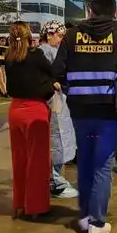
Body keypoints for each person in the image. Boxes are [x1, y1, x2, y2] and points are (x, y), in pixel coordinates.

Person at [53, 0, 117, 233]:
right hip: (108, 111)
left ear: (90, 11)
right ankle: (97, 222)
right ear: (114, 12)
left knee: (86, 161)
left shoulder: (72, 35)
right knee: (103, 164)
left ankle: (84, 217)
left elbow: (57, 71)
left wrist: (72, 89)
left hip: (80, 110)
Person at [4, 21, 56, 219]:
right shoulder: (36, 55)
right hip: (36, 110)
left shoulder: (8, 56)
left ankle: (19, 203)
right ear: (29, 35)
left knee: (19, 158)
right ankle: (36, 206)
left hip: (15, 109)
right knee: (38, 160)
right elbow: (52, 72)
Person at [37, 21, 79, 199]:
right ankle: (54, 183)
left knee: (61, 139)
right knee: (55, 140)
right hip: (51, 102)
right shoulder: (43, 53)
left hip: (60, 101)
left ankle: (56, 179)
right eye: (60, 36)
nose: (62, 40)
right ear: (49, 34)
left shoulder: (55, 51)